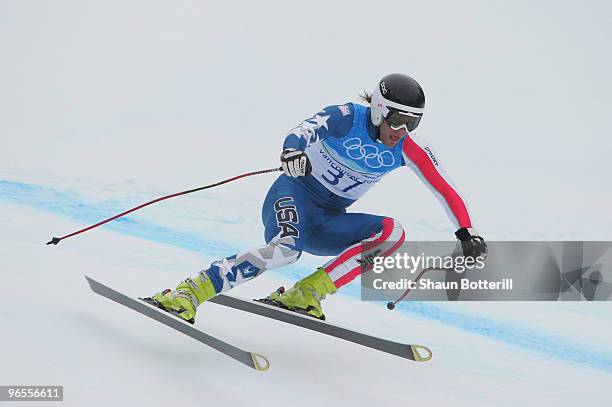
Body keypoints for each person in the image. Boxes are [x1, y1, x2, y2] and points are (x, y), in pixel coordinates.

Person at [144, 73, 487, 323]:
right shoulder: (347, 116)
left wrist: (466, 232)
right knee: (285, 251)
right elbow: (303, 131)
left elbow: (446, 188)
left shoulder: (409, 148)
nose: (402, 130)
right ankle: (190, 291)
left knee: (392, 232)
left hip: (329, 221)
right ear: (380, 109)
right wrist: (293, 152)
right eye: (398, 119)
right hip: (294, 195)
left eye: (412, 123)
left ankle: (307, 293)